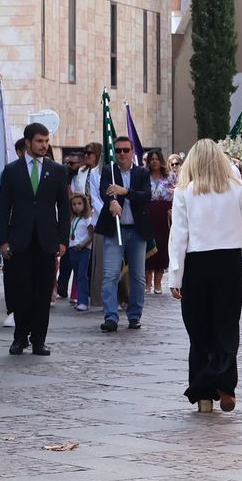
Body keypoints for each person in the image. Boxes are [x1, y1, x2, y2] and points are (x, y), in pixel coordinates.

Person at [166, 139, 242, 412]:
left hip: (196, 263)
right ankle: (225, 384)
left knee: (198, 329)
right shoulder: (236, 189)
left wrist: (175, 276)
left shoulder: (184, 191)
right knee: (226, 324)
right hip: (228, 262)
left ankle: (203, 393)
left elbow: (178, 236)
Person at [0, 122, 70, 354]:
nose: (44, 145)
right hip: (19, 241)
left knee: (42, 292)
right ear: (28, 142)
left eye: (47, 141)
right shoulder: (11, 171)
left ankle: (39, 339)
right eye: (40, 141)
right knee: (21, 291)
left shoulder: (57, 171)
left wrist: (62, 240)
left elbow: (64, 207)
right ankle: (20, 337)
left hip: (47, 241)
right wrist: (3, 240)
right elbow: (3, 208)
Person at [92, 133, 150, 332]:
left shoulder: (141, 173)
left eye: (126, 150)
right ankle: (111, 316)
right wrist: (112, 201)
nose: (122, 154)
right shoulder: (109, 170)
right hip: (114, 230)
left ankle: (134, 315)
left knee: (138, 276)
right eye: (118, 150)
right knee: (110, 274)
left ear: (132, 152)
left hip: (137, 231)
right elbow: (103, 191)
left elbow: (145, 196)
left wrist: (125, 192)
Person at [57, 192, 93, 310]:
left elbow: (91, 235)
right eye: (74, 204)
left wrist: (82, 244)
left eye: (79, 204)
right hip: (72, 249)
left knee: (82, 275)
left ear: (84, 204)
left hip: (83, 250)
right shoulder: (72, 219)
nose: (77, 206)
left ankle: (83, 301)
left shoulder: (87, 219)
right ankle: (79, 299)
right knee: (77, 275)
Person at [145, 150, 173, 295]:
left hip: (164, 215)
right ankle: (148, 282)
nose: (154, 161)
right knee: (149, 246)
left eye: (157, 159)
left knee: (162, 247)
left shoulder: (169, 177)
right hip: (149, 214)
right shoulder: (144, 176)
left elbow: (177, 194)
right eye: (152, 159)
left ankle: (158, 283)